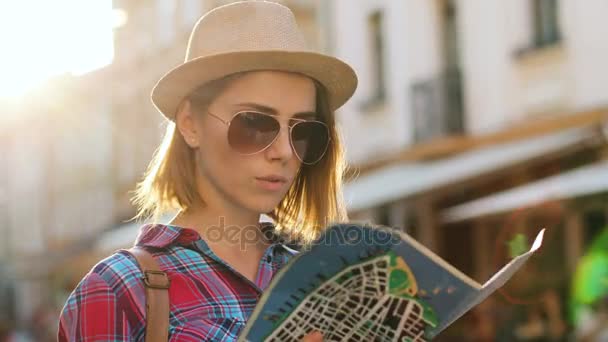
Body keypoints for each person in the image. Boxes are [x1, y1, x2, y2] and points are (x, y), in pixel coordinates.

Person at [57, 1, 357, 341]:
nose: (285, 152)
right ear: (190, 124)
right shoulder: (119, 287)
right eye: (255, 123)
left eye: (304, 130)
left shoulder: (321, 280)